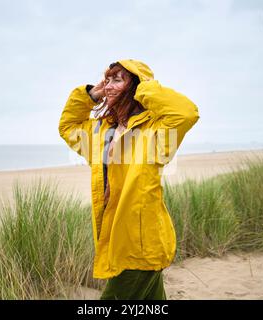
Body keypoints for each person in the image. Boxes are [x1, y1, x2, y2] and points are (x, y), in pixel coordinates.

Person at [58, 59, 199, 300]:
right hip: (114, 239)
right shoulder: (102, 130)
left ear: (134, 86)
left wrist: (144, 87)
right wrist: (91, 94)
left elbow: (186, 112)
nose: (109, 85)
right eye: (107, 79)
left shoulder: (156, 131)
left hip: (140, 244)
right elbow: (68, 126)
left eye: (117, 80)